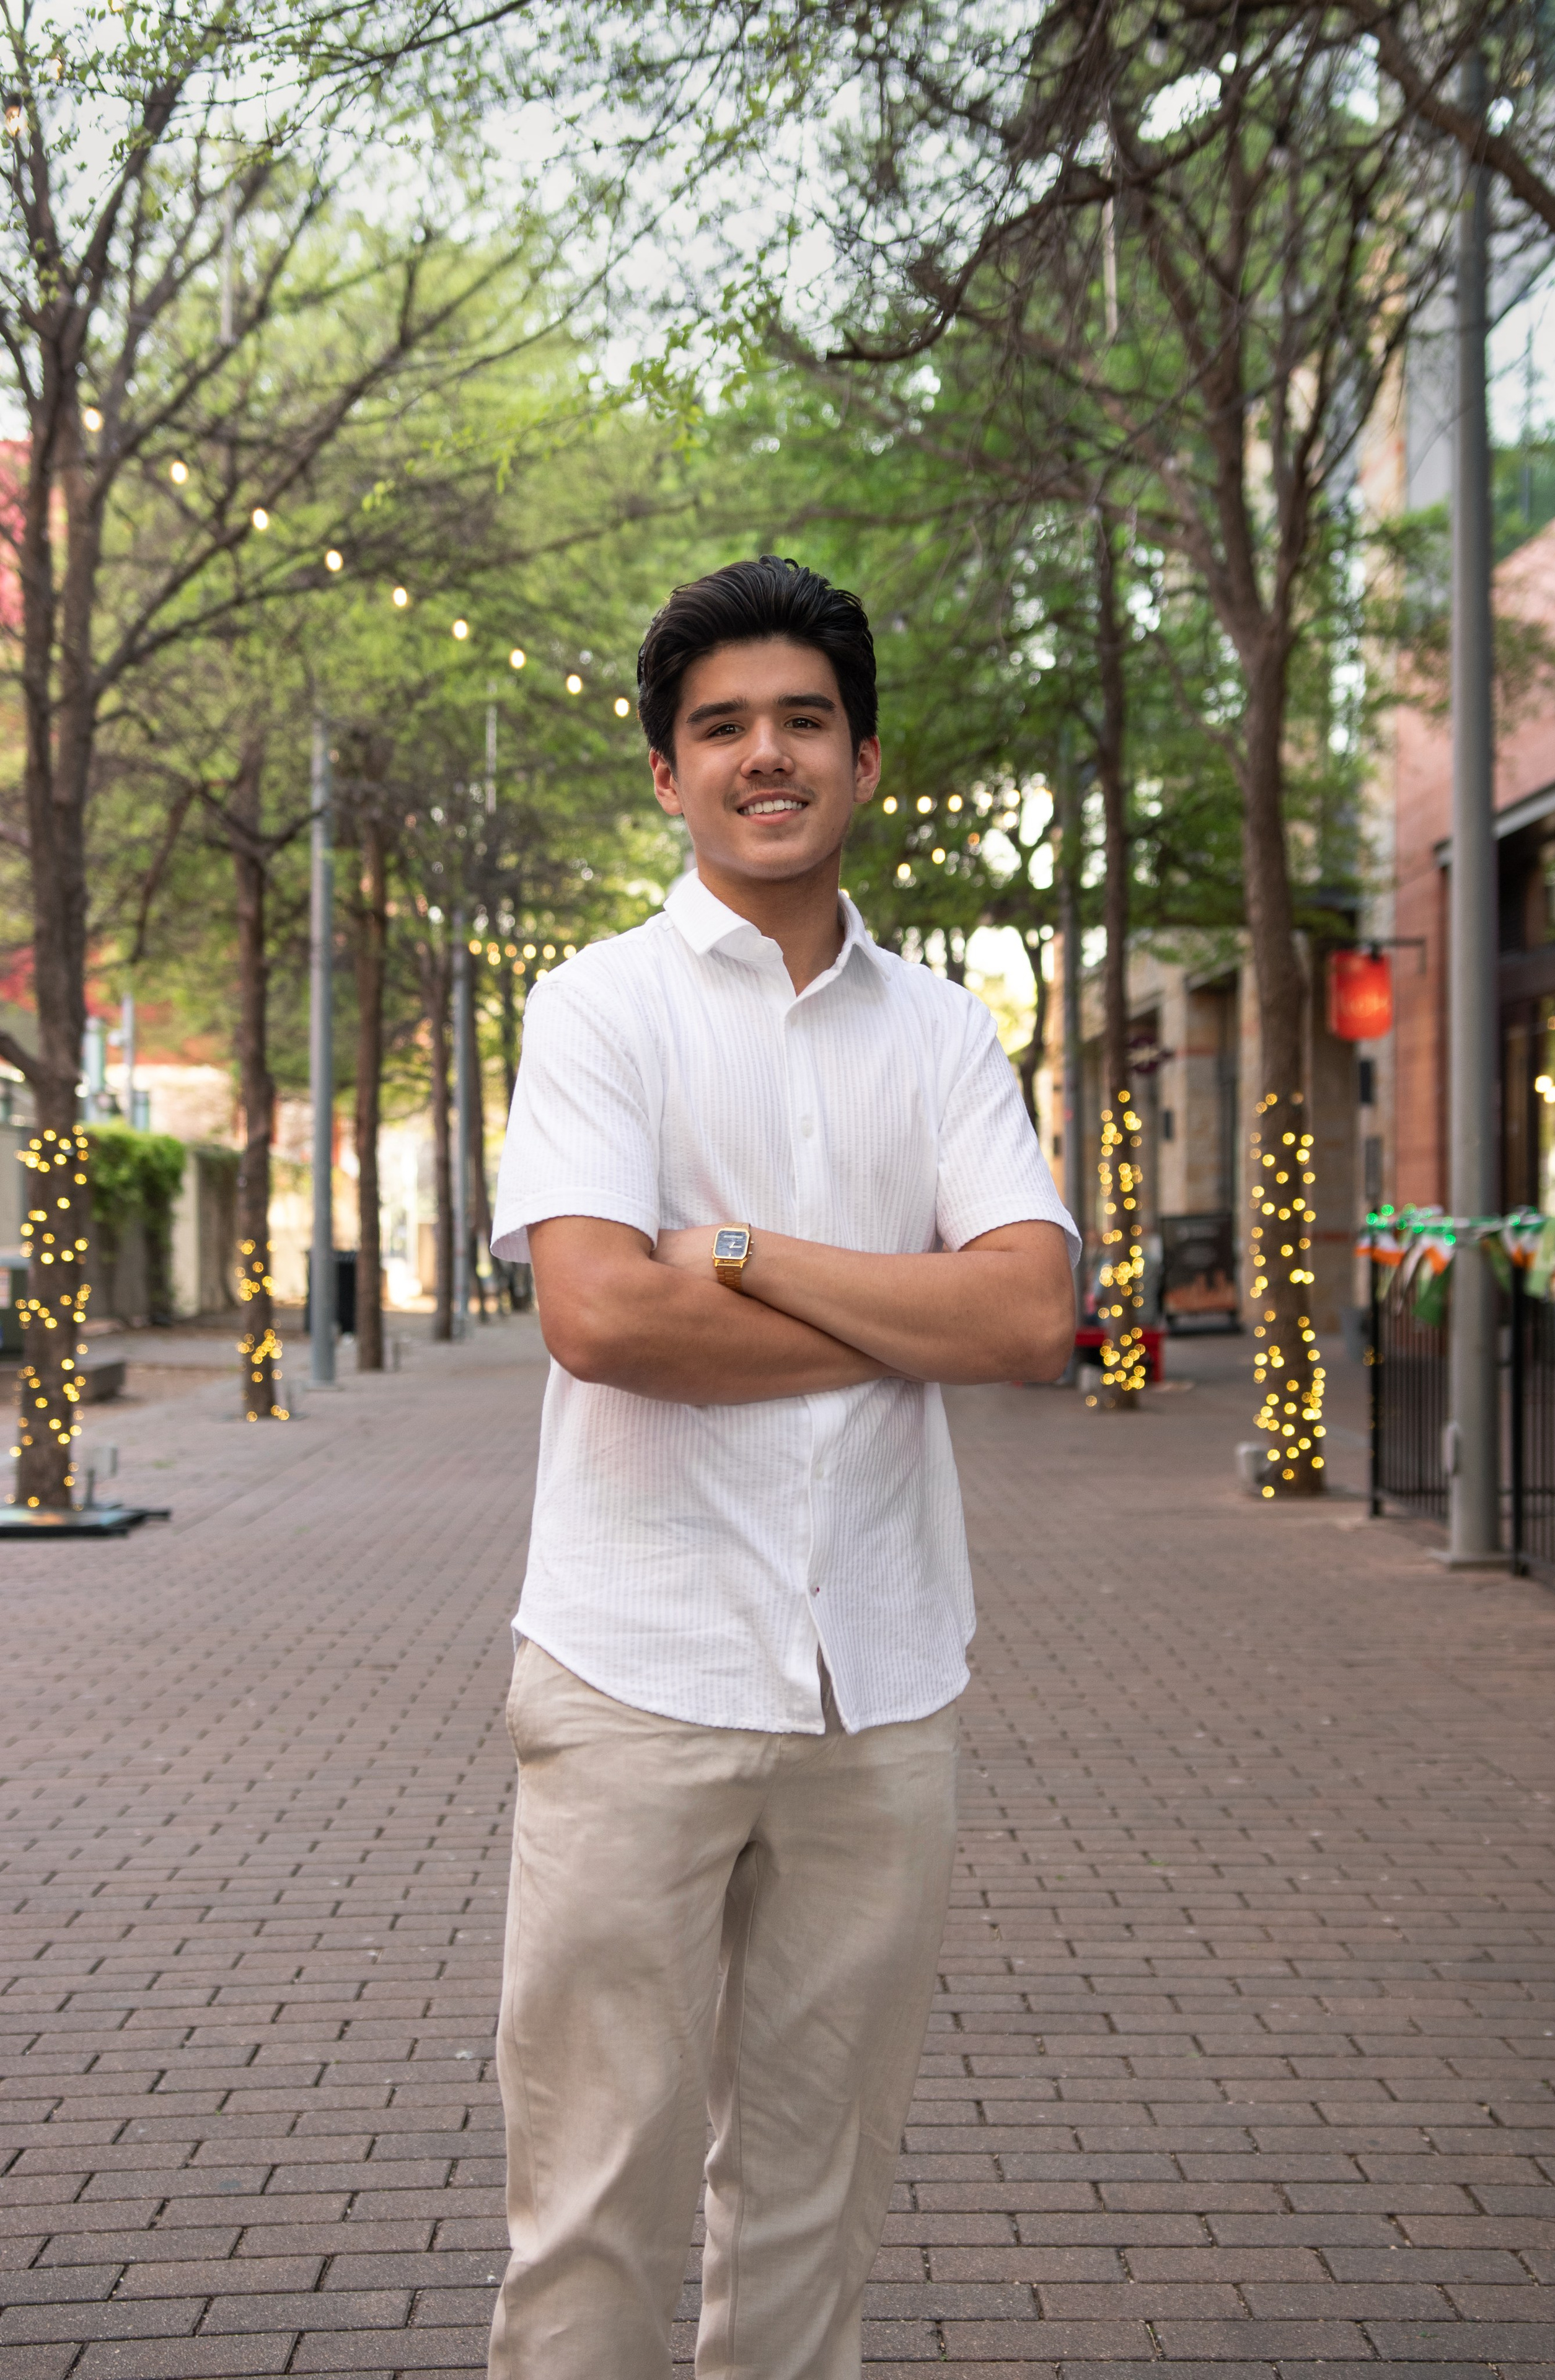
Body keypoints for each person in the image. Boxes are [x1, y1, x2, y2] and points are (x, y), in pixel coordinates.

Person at [487, 554, 1077, 2380]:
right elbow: (598, 1318)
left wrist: (740, 1255)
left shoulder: (947, 1032)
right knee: (597, 2198)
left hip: (882, 1686)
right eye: (721, 726)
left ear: (867, 759)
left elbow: (1033, 1318)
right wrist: (917, 1310)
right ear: (666, 774)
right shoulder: (599, 1012)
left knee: (820, 2195)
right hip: (634, 1672)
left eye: (802, 721)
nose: (766, 755)